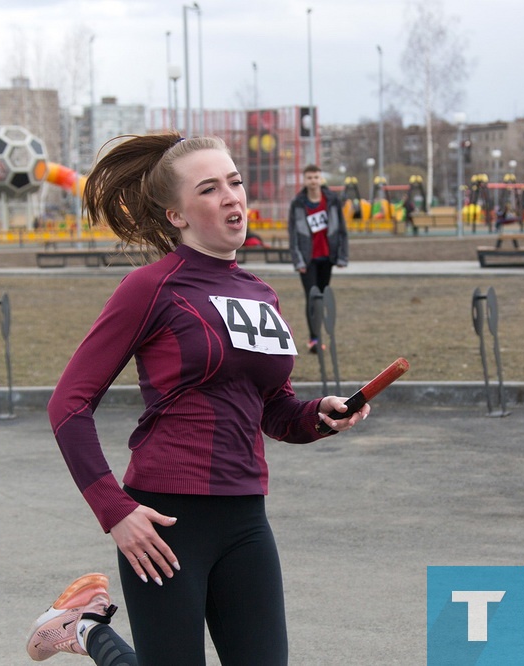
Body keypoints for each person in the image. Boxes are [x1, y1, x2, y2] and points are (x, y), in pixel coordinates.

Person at [26, 132, 371, 663]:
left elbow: (272, 408)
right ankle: (89, 632)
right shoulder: (151, 288)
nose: (232, 196)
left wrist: (317, 416)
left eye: (234, 182)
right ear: (176, 216)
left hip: (246, 518)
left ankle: (83, 628)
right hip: (164, 522)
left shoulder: (261, 293)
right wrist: (114, 510)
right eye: (209, 189)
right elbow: (68, 405)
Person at [288, 164, 349, 353]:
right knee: (312, 298)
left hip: (327, 257)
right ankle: (314, 338)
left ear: (320, 179)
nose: (313, 181)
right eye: (309, 178)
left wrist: (342, 256)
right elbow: (293, 235)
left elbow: (341, 230)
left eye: (316, 177)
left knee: (321, 297)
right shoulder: (298, 203)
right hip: (308, 259)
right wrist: (298, 261)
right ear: (304, 180)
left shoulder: (332, 200)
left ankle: (318, 335)